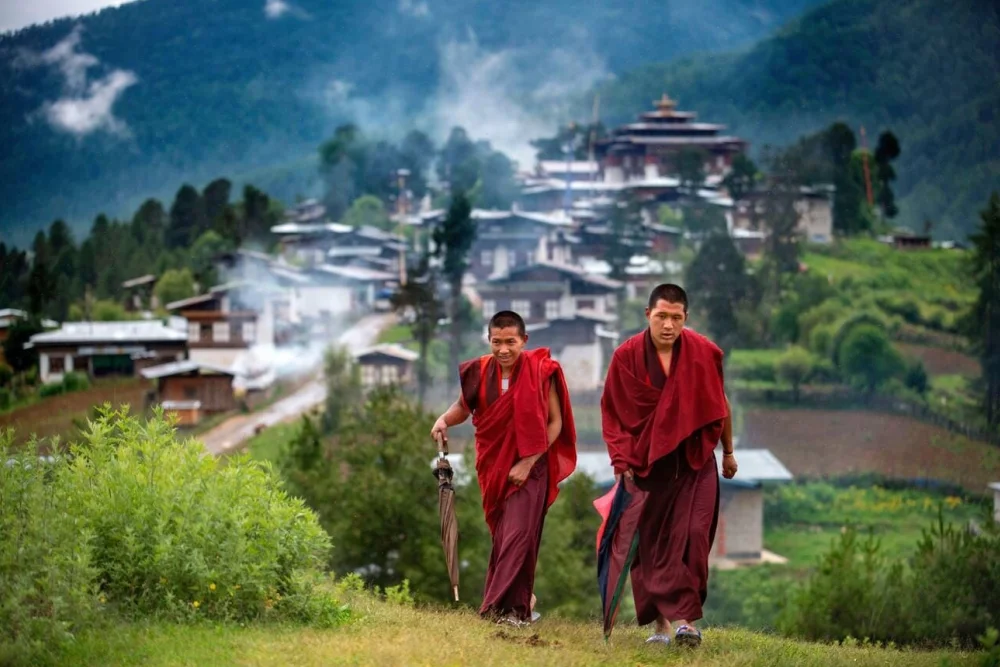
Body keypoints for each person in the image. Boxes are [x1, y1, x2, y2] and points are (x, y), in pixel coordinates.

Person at [598, 283, 737, 647]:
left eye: (676, 318)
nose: (668, 325)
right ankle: (662, 626)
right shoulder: (626, 357)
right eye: (661, 316)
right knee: (653, 546)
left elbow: (720, 406)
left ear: (685, 318)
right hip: (649, 467)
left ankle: (686, 622)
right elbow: (612, 413)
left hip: (694, 461)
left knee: (693, 537)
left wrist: (728, 451)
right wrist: (621, 459)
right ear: (648, 315)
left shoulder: (704, 353)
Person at [431, 310, 577, 626]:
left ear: (524, 340)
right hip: (493, 467)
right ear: (489, 340)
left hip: (532, 468)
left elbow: (556, 422)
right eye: (497, 342)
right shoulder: (479, 371)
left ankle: (495, 609)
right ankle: (519, 610)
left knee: (518, 536)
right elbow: (462, 407)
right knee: (504, 537)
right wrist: (443, 420)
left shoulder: (542, 370)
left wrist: (528, 462)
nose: (504, 350)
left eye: (511, 341)